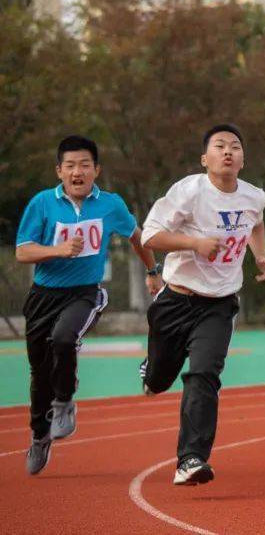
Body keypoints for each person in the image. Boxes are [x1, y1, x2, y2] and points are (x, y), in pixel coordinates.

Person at [16, 135, 162, 476]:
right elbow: (22, 251)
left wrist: (153, 271)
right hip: (42, 296)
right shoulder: (42, 204)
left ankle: (65, 402)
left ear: (96, 170)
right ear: (59, 171)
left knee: (65, 339)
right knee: (39, 375)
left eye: (84, 165)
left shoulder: (110, 205)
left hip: (85, 292)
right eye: (70, 166)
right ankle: (40, 436)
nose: (77, 172)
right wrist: (58, 249)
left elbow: (137, 237)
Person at [139, 124, 265, 485]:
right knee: (157, 380)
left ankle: (191, 459)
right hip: (176, 299)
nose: (228, 151)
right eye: (219, 146)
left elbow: (256, 224)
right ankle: (151, 367)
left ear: (243, 159)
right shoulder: (188, 191)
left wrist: (260, 256)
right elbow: (150, 235)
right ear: (205, 158)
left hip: (219, 304)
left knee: (203, 375)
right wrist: (194, 243)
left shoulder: (254, 197)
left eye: (235, 146)